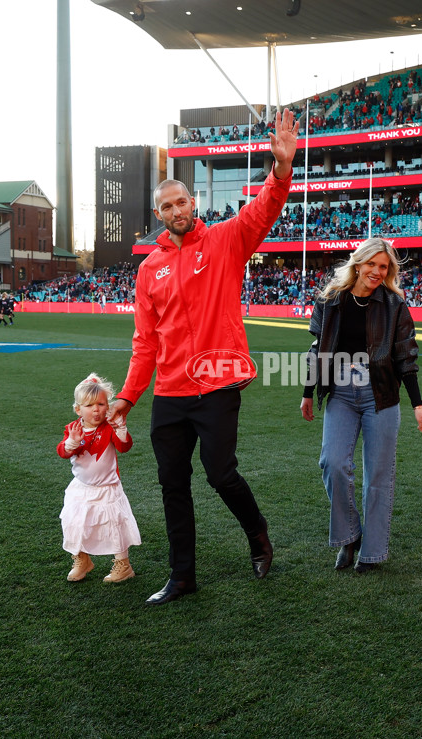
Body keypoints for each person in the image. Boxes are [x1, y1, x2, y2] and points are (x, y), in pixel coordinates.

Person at [108, 108, 299, 605]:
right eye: (167, 206)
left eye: (182, 201)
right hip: (170, 392)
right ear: (158, 215)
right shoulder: (149, 270)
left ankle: (257, 533)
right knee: (173, 485)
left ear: (194, 203)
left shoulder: (225, 241)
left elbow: (263, 210)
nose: (176, 210)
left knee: (220, 474)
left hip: (217, 381)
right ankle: (182, 576)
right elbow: (144, 342)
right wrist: (129, 397)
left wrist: (281, 170)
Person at [300, 238, 422, 574]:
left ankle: (371, 553)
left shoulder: (394, 304)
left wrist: (417, 404)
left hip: (382, 396)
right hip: (341, 391)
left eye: (383, 267)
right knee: (333, 464)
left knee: (378, 477)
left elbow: (406, 356)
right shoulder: (331, 300)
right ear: (358, 263)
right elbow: (317, 349)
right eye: (371, 264)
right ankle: (349, 536)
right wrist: (307, 391)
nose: (376, 271)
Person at [57, 373, 141, 583]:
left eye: (101, 404)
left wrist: (121, 428)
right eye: (89, 405)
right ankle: (81, 559)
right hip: (81, 488)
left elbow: (124, 447)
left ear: (108, 406)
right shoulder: (73, 428)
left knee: (114, 524)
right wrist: (72, 443)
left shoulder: (109, 427)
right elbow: (63, 451)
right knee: (74, 522)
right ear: (78, 409)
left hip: (108, 487)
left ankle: (123, 565)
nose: (96, 409)